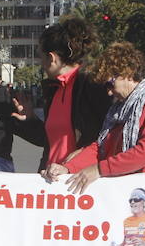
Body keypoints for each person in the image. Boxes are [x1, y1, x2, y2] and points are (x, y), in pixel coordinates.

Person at [44, 41, 145, 194]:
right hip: (123, 193)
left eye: (110, 84)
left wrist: (99, 169)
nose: (109, 92)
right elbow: (101, 147)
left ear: (127, 73)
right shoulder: (120, 108)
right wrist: (68, 168)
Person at [34, 17, 111, 177]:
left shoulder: (91, 84)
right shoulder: (53, 89)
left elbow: (110, 133)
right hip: (53, 184)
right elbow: (51, 143)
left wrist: (78, 160)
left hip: (82, 182)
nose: (41, 63)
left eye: (41, 57)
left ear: (51, 58)